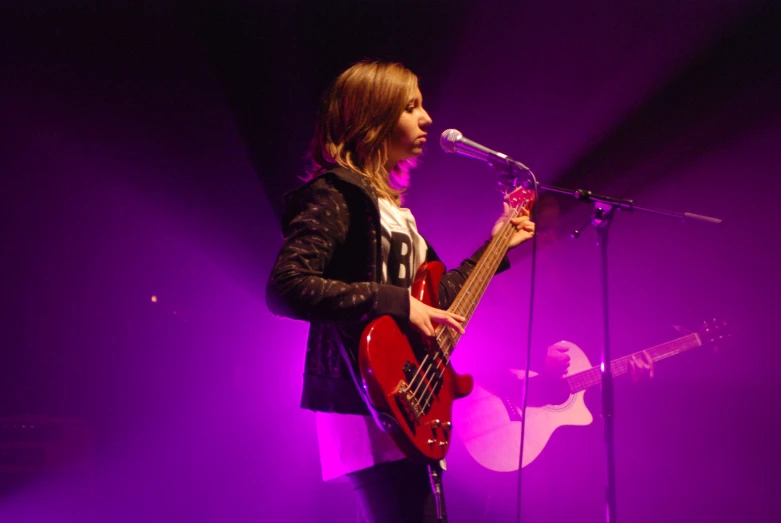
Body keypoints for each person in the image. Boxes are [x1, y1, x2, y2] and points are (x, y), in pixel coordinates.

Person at [264, 60, 536, 523]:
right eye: (411, 107)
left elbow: (437, 297)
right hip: (364, 397)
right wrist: (397, 302)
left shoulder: (393, 210)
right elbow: (287, 286)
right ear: (373, 118)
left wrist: (497, 247)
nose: (427, 118)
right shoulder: (336, 193)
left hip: (407, 395)